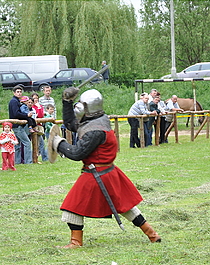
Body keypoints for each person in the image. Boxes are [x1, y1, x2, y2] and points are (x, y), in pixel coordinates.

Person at [50, 87, 162, 248]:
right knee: (124, 206)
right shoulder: (98, 119)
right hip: (109, 172)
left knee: (72, 207)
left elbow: (76, 154)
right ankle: (152, 234)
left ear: (88, 108)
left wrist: (58, 143)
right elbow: (71, 124)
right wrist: (67, 102)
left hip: (96, 174)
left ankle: (75, 242)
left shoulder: (95, 131)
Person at [8, 85, 33, 164]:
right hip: (17, 125)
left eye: (20, 92)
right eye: (17, 92)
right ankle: (28, 161)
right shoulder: (14, 101)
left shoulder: (16, 101)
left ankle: (17, 161)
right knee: (27, 142)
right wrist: (26, 115)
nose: (19, 93)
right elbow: (16, 114)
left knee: (17, 144)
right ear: (14, 93)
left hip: (17, 125)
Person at [31, 92, 48, 163]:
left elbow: (41, 115)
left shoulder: (40, 106)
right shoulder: (32, 107)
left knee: (41, 142)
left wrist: (39, 107)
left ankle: (44, 157)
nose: (36, 100)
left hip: (39, 126)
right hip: (34, 126)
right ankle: (36, 157)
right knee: (37, 143)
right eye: (34, 98)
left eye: (37, 98)